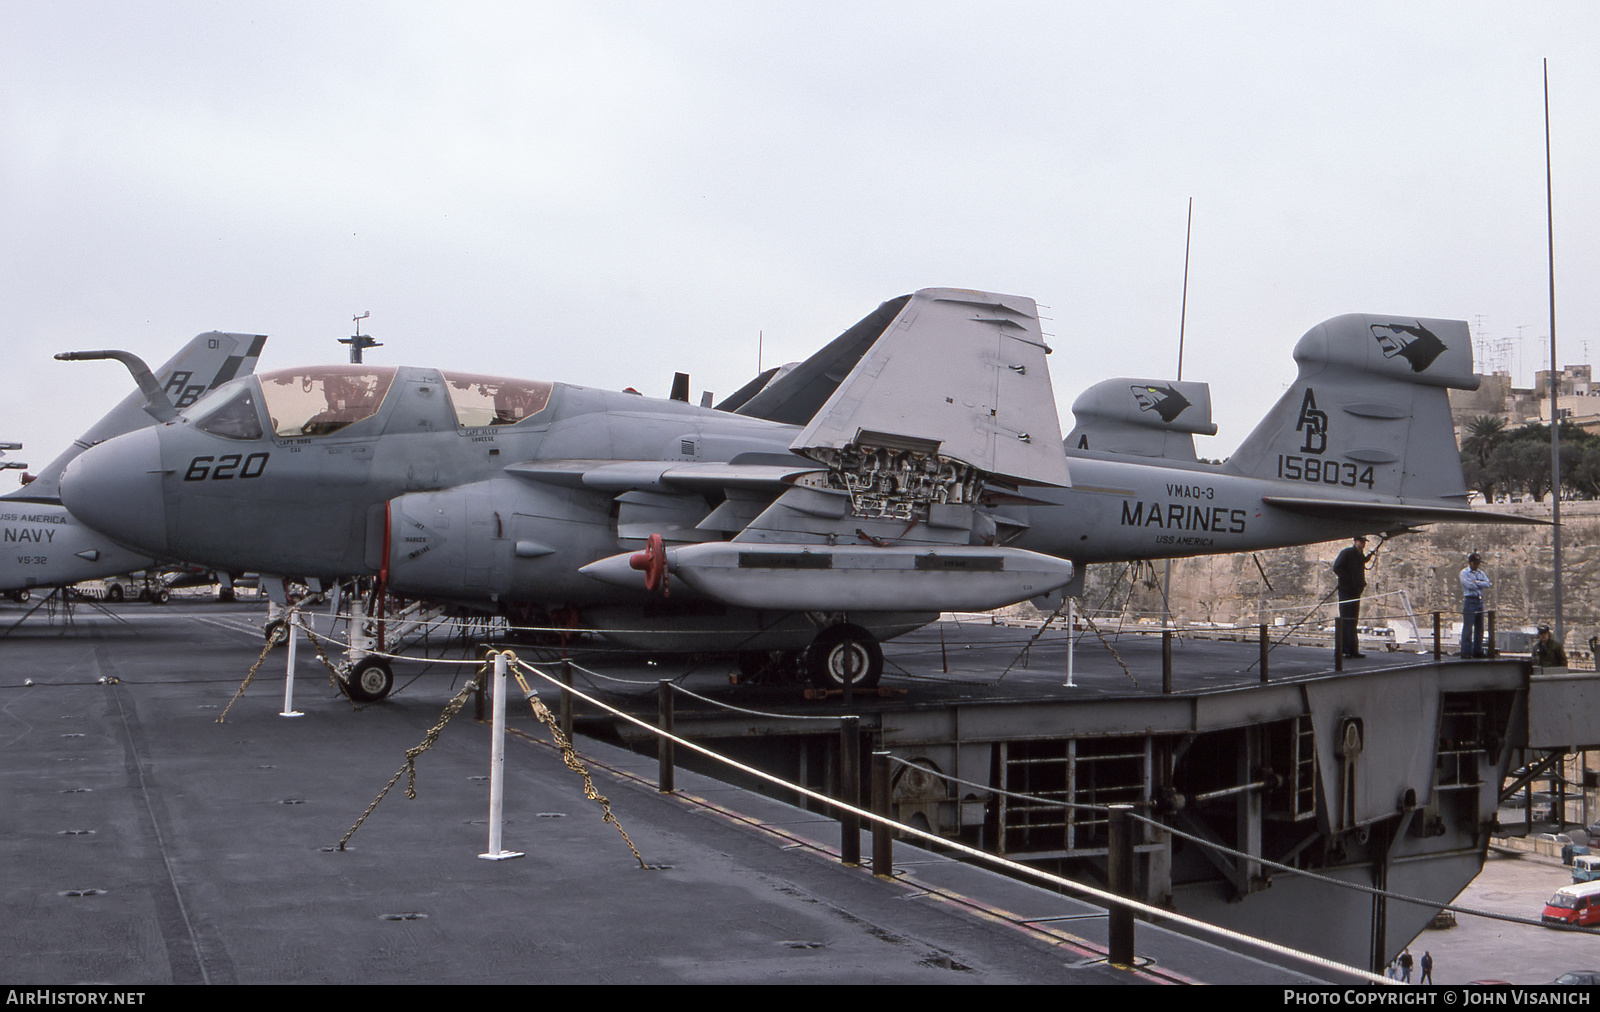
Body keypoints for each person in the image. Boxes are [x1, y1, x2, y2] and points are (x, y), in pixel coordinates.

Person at [1332, 535, 1371, 658]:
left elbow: (1361, 564)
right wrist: (1348, 580)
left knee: (1353, 621)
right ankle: (1344, 650)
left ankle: (1353, 649)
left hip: (1355, 591)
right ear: (1355, 541)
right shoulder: (1347, 553)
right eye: (1361, 541)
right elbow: (1337, 567)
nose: (1363, 544)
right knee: (1346, 620)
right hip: (1346, 590)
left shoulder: (1359, 555)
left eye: (1364, 542)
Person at [1460, 552, 1491, 658]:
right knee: (1468, 627)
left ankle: (1478, 650)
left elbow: (1487, 583)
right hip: (1469, 600)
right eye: (1475, 563)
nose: (1477, 565)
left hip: (1479, 601)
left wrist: (1476, 582)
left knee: (1479, 627)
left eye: (1478, 563)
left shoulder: (1480, 573)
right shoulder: (1464, 573)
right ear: (1470, 563)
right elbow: (1468, 585)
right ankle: (1466, 651)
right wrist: (1479, 583)